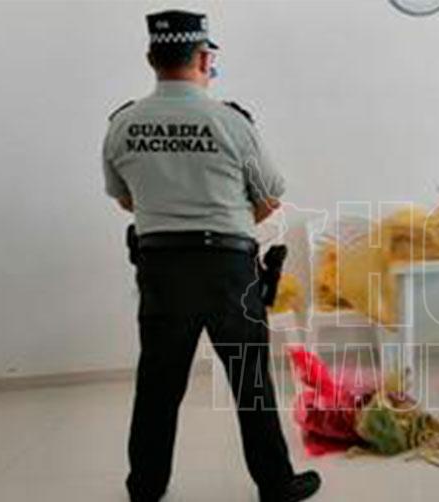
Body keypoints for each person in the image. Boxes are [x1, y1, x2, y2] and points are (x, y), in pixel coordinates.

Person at [101, 10, 321, 502]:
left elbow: (124, 198)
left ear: (151, 58)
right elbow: (269, 197)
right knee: (250, 382)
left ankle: (145, 487)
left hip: (161, 269)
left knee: (158, 384)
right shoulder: (231, 122)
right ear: (204, 59)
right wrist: (230, 217)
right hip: (228, 270)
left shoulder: (122, 125)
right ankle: (276, 484)